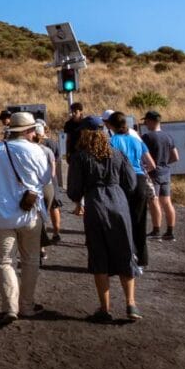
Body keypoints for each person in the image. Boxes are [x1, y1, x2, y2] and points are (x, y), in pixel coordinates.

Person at [0, 112, 51, 322]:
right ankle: (27, 305)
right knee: (31, 260)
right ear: (28, 131)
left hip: (1, 213)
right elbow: (45, 179)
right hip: (30, 212)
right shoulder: (37, 151)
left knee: (5, 261)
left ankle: (10, 307)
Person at [67, 117, 143, 322]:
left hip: (95, 204)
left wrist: (81, 196)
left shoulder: (80, 157)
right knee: (125, 251)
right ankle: (131, 304)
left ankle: (105, 308)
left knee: (98, 255)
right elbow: (131, 183)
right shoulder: (117, 154)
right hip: (119, 203)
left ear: (85, 133)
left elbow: (74, 190)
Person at [108, 111, 155, 271]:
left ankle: (126, 256)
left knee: (122, 221)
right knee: (140, 221)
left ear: (111, 125)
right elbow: (151, 164)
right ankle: (142, 258)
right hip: (140, 179)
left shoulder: (112, 141)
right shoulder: (136, 141)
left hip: (122, 181)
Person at [141, 110, 179, 241]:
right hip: (165, 172)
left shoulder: (147, 137)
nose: (145, 123)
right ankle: (170, 231)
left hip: (153, 173)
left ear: (151, 121)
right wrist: (164, 163)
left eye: (146, 121)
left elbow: (143, 155)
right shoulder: (168, 136)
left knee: (153, 200)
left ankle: (156, 230)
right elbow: (176, 157)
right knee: (167, 202)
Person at [36, 119, 62, 245]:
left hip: (40, 181)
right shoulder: (53, 143)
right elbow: (57, 160)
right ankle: (56, 232)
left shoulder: (34, 147)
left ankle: (42, 238)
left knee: (41, 210)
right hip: (52, 180)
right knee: (54, 206)